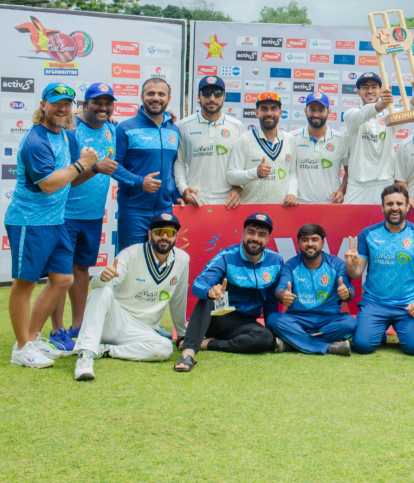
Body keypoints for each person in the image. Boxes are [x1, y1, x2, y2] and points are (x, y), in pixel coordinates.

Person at [5, 83, 98, 368]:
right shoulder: (35, 141)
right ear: (43, 105)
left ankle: (30, 338)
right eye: (56, 103)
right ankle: (21, 348)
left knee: (63, 279)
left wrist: (91, 168)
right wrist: (83, 165)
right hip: (29, 221)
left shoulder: (67, 138)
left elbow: (69, 180)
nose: (62, 108)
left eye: (67, 103)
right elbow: (48, 185)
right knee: (25, 284)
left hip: (56, 221)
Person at [73, 213, 190, 381]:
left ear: (176, 237)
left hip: (143, 331)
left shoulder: (182, 259)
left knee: (164, 348)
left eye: (170, 233)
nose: (164, 237)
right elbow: (98, 287)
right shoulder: (130, 254)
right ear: (150, 235)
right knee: (102, 291)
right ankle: (86, 355)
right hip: (115, 321)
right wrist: (101, 278)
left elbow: (178, 299)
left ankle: (105, 350)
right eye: (159, 232)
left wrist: (181, 333)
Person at [49, 83, 119, 351]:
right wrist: (95, 168)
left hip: (92, 215)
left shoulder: (112, 128)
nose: (102, 108)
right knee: (59, 273)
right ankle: (57, 329)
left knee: (81, 270)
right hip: (64, 213)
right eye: (96, 103)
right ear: (84, 105)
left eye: (107, 103)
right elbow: (68, 178)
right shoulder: (70, 130)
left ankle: (78, 326)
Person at [174, 213, 282, 371]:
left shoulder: (276, 260)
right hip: (219, 317)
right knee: (207, 298)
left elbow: (271, 301)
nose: (255, 238)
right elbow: (198, 284)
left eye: (262, 235)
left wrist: (272, 333)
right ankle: (188, 352)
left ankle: (207, 343)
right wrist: (210, 291)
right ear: (243, 234)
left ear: (267, 238)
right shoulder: (227, 256)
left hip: (246, 324)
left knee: (265, 337)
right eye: (251, 232)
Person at [346, 184, 414, 355]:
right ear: (382, 207)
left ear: (407, 206)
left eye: (399, 203)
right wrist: (351, 265)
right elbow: (355, 273)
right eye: (389, 204)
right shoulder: (368, 234)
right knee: (361, 346)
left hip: (408, 304)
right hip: (374, 303)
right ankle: (377, 331)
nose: (394, 208)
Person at [266, 223, 356, 355]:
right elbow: (280, 289)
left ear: (323, 243)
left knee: (349, 323)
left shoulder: (337, 264)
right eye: (305, 240)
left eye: (314, 239)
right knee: (273, 319)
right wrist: (283, 295)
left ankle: (292, 343)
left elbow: (349, 291)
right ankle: (330, 347)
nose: (310, 244)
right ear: (298, 244)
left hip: (329, 319)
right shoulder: (290, 265)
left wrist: (346, 293)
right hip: (298, 320)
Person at [112, 77, 180, 250]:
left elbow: (173, 167)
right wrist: (140, 181)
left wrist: (176, 196)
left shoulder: (174, 129)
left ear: (168, 99)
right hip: (134, 210)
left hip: (164, 210)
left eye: (161, 94)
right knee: (129, 263)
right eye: (150, 93)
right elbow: (113, 166)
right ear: (142, 96)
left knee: (160, 262)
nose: (156, 98)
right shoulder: (125, 128)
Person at [343, 73, 414, 204]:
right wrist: (382, 104)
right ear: (358, 92)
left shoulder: (389, 117)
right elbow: (364, 113)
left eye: (374, 86)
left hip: (385, 184)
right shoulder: (351, 115)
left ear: (381, 90)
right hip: (358, 186)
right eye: (365, 87)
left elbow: (409, 111)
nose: (370, 90)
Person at [173, 75, 245, 208]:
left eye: (217, 93)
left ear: (224, 96)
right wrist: (183, 189)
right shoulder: (185, 125)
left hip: (229, 201)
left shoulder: (236, 126)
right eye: (206, 93)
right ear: (199, 97)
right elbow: (179, 163)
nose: (212, 98)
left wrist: (239, 187)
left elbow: (243, 161)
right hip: (195, 200)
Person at [225, 92, 298, 205]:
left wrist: (292, 193)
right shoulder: (244, 140)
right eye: (264, 109)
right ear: (256, 113)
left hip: (282, 209)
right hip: (252, 210)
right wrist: (255, 173)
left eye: (273, 109)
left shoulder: (290, 139)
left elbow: (292, 173)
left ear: (280, 113)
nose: (269, 113)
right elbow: (231, 176)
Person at [291, 92, 349, 204]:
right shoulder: (292, 138)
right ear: (305, 111)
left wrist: (342, 190)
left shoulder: (341, 139)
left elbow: (349, 170)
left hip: (331, 204)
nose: (316, 115)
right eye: (312, 109)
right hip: (299, 205)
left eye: (321, 110)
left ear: (329, 112)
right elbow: (288, 172)